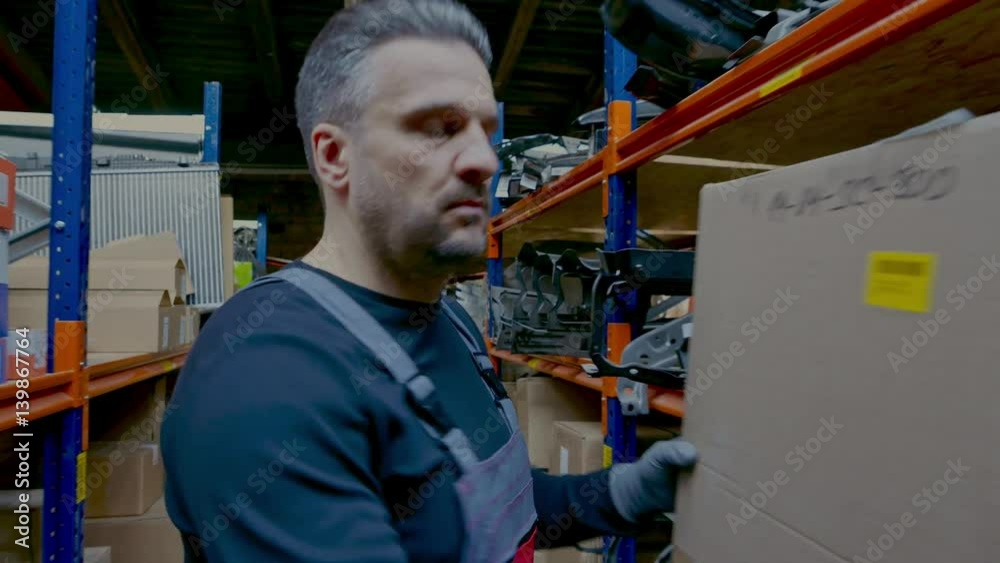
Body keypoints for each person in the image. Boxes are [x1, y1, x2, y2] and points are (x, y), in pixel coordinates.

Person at [160, 1, 697, 561]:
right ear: (334, 155)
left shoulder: (453, 324)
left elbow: (478, 510)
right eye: (438, 128)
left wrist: (622, 493)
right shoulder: (266, 377)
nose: (484, 161)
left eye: (485, 130)